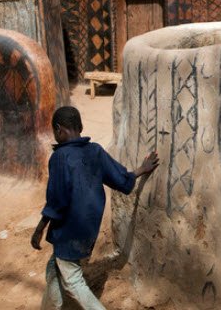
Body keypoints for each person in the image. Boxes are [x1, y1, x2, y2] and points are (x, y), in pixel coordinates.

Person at [31, 106, 159, 310]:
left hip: (68, 231)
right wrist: (141, 170)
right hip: (88, 230)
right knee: (54, 269)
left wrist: (40, 228)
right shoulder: (95, 151)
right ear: (80, 127)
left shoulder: (60, 158)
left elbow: (57, 200)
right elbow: (120, 179)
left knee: (73, 281)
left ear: (59, 130)